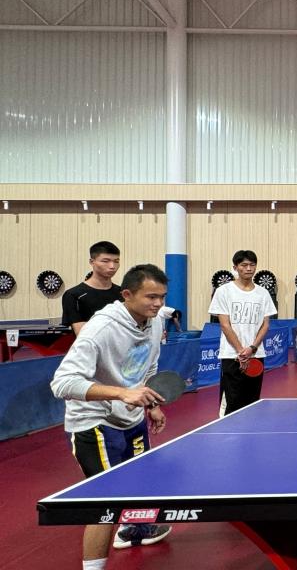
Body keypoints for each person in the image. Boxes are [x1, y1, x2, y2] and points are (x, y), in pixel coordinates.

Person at [50, 264, 173, 568]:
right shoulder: (101, 328)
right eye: (151, 297)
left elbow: (149, 365)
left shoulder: (155, 320)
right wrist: (120, 393)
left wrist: (151, 404)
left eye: (162, 297)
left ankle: (133, 529)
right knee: (106, 502)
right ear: (127, 295)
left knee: (139, 483)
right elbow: (62, 383)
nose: (158, 304)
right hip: (94, 422)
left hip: (131, 417)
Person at [208, 250, 276, 416]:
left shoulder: (263, 293)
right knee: (232, 402)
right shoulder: (223, 291)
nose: (248, 268)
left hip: (256, 355)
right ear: (235, 267)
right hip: (232, 355)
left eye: (252, 265)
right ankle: (228, 431)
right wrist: (241, 351)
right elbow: (225, 325)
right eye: (244, 265)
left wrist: (252, 348)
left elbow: (265, 324)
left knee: (252, 402)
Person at [61, 241, 122, 335]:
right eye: (105, 261)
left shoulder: (124, 293)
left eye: (116, 261)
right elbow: (82, 333)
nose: (112, 266)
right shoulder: (74, 295)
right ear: (92, 262)